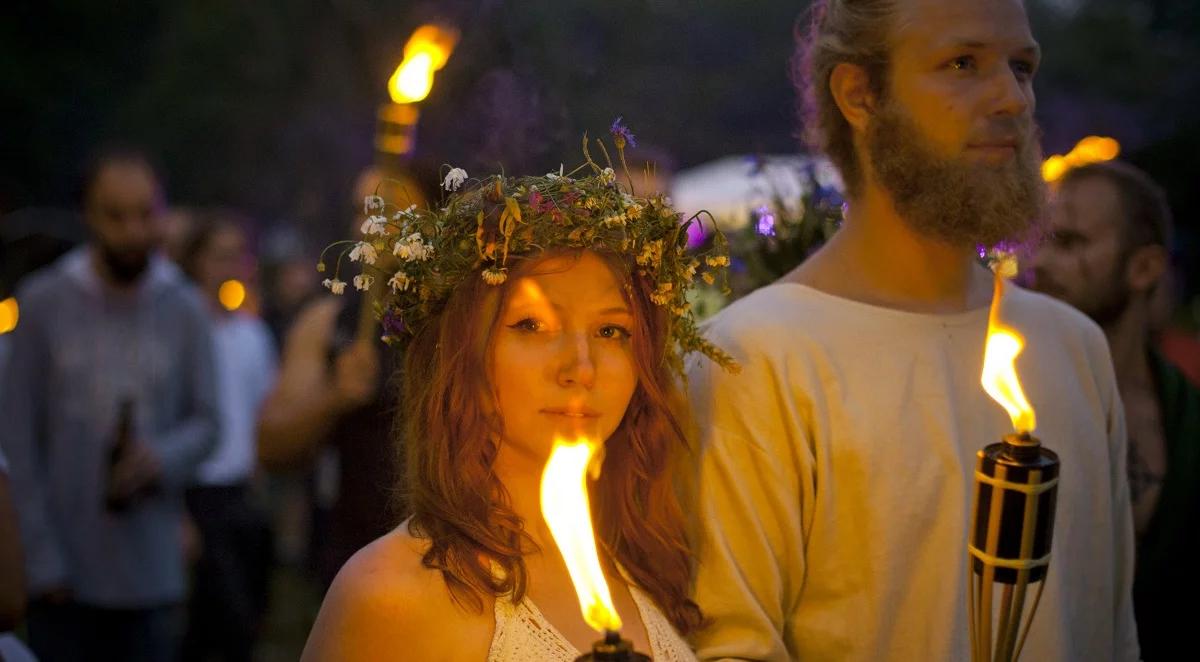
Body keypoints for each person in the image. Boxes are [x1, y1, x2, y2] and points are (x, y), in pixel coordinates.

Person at [685, 0, 1140, 659]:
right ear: (859, 93)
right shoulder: (756, 359)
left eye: (1022, 67)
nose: (1012, 98)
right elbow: (731, 644)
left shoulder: (1073, 346)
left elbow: (1110, 632)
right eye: (963, 63)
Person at [300, 148, 735, 659]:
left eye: (611, 329)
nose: (581, 365)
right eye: (533, 325)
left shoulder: (657, 565)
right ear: (463, 352)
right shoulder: (390, 597)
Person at [0, 146, 219, 662]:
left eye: (146, 214)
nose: (133, 232)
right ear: (88, 215)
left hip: (152, 573)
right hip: (63, 575)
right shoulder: (45, 301)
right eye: (115, 216)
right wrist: (40, 557)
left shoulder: (184, 307)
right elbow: (17, 439)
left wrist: (161, 457)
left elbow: (209, 421)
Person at [1030, 160, 1199, 661]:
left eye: (1070, 242)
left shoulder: (1185, 418)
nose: (1040, 261)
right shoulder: (1009, 401)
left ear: (1144, 268)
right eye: (1040, 239)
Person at [256, 167, 425, 590]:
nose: (366, 226)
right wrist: (334, 395)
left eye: (385, 211)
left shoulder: (462, 323)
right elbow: (271, 445)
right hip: (351, 560)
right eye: (359, 211)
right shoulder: (327, 323)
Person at [176, 211, 278, 662]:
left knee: (247, 615)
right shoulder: (180, 332)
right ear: (197, 261)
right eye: (219, 256)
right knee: (215, 620)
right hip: (195, 492)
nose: (230, 266)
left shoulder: (252, 334)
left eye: (238, 255)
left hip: (241, 493)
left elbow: (263, 412)